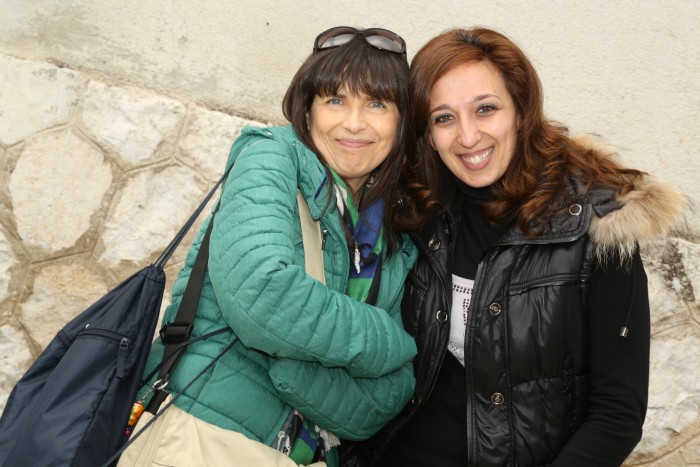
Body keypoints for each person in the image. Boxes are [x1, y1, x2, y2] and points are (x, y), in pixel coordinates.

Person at [341, 27, 688, 466]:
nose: (468, 137)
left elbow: (617, 415)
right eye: (444, 118)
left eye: (485, 109)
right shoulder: (412, 209)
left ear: (522, 110)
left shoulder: (596, 227)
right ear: (426, 133)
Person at [118, 26, 419, 467]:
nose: (354, 123)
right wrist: (392, 343)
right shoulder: (271, 158)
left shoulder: (393, 236)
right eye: (335, 100)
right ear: (308, 111)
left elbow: (386, 399)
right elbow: (262, 295)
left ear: (401, 121)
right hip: (202, 442)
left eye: (377, 104)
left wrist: (293, 365)